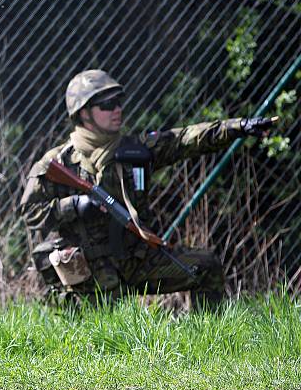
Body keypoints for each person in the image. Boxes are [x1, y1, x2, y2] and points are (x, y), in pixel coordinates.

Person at [19, 69, 274, 306]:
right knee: (104, 337)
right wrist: (74, 206)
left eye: (119, 101)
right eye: (107, 105)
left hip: (137, 260)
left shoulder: (136, 150)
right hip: (90, 274)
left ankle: (208, 340)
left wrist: (238, 127)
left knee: (205, 267)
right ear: (83, 113)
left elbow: (185, 140)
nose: (117, 109)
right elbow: (30, 212)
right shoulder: (57, 164)